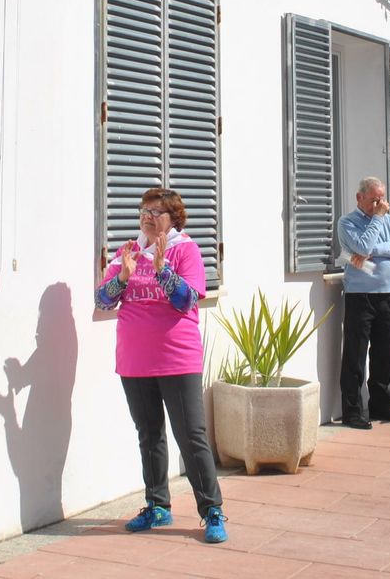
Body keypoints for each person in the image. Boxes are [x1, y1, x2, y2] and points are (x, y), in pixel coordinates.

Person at [95, 188, 227, 541]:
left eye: (156, 212)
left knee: (191, 436)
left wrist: (163, 269)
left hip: (176, 358)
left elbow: (186, 300)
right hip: (134, 359)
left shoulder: (186, 250)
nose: (148, 217)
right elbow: (103, 300)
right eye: (144, 211)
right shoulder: (129, 252)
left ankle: (212, 510)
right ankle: (157, 506)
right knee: (149, 434)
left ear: (173, 219)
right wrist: (122, 278)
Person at [336, 177, 390, 428]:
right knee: (355, 356)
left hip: (388, 293)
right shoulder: (347, 222)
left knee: (384, 354)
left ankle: (380, 405)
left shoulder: (388, 220)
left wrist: (374, 250)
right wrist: (377, 221)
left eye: (382, 200)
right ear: (359, 197)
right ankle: (352, 411)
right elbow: (362, 246)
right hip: (360, 295)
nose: (380, 205)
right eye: (374, 200)